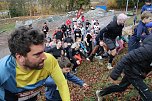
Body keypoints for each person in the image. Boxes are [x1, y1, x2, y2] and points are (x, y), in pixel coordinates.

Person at [0, 27, 70, 101]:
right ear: (20, 57)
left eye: (43, 51)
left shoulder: (49, 61)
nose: (44, 57)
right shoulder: (3, 71)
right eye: (37, 54)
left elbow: (62, 84)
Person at [96, 33, 152, 101]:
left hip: (138, 71)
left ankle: (100, 93)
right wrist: (114, 75)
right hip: (133, 72)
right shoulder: (148, 50)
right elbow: (127, 57)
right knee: (148, 97)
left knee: (121, 87)